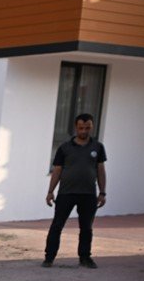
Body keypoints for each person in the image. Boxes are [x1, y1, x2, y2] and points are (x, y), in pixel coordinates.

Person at [44, 113, 107, 269]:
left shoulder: (98, 147)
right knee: (57, 225)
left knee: (86, 228)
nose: (84, 131)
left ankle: (85, 257)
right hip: (66, 193)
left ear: (92, 127)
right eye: (81, 128)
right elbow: (57, 170)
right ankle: (49, 257)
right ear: (76, 127)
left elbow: (100, 170)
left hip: (88, 194)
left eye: (87, 128)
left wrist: (102, 192)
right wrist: (50, 191)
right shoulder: (64, 148)